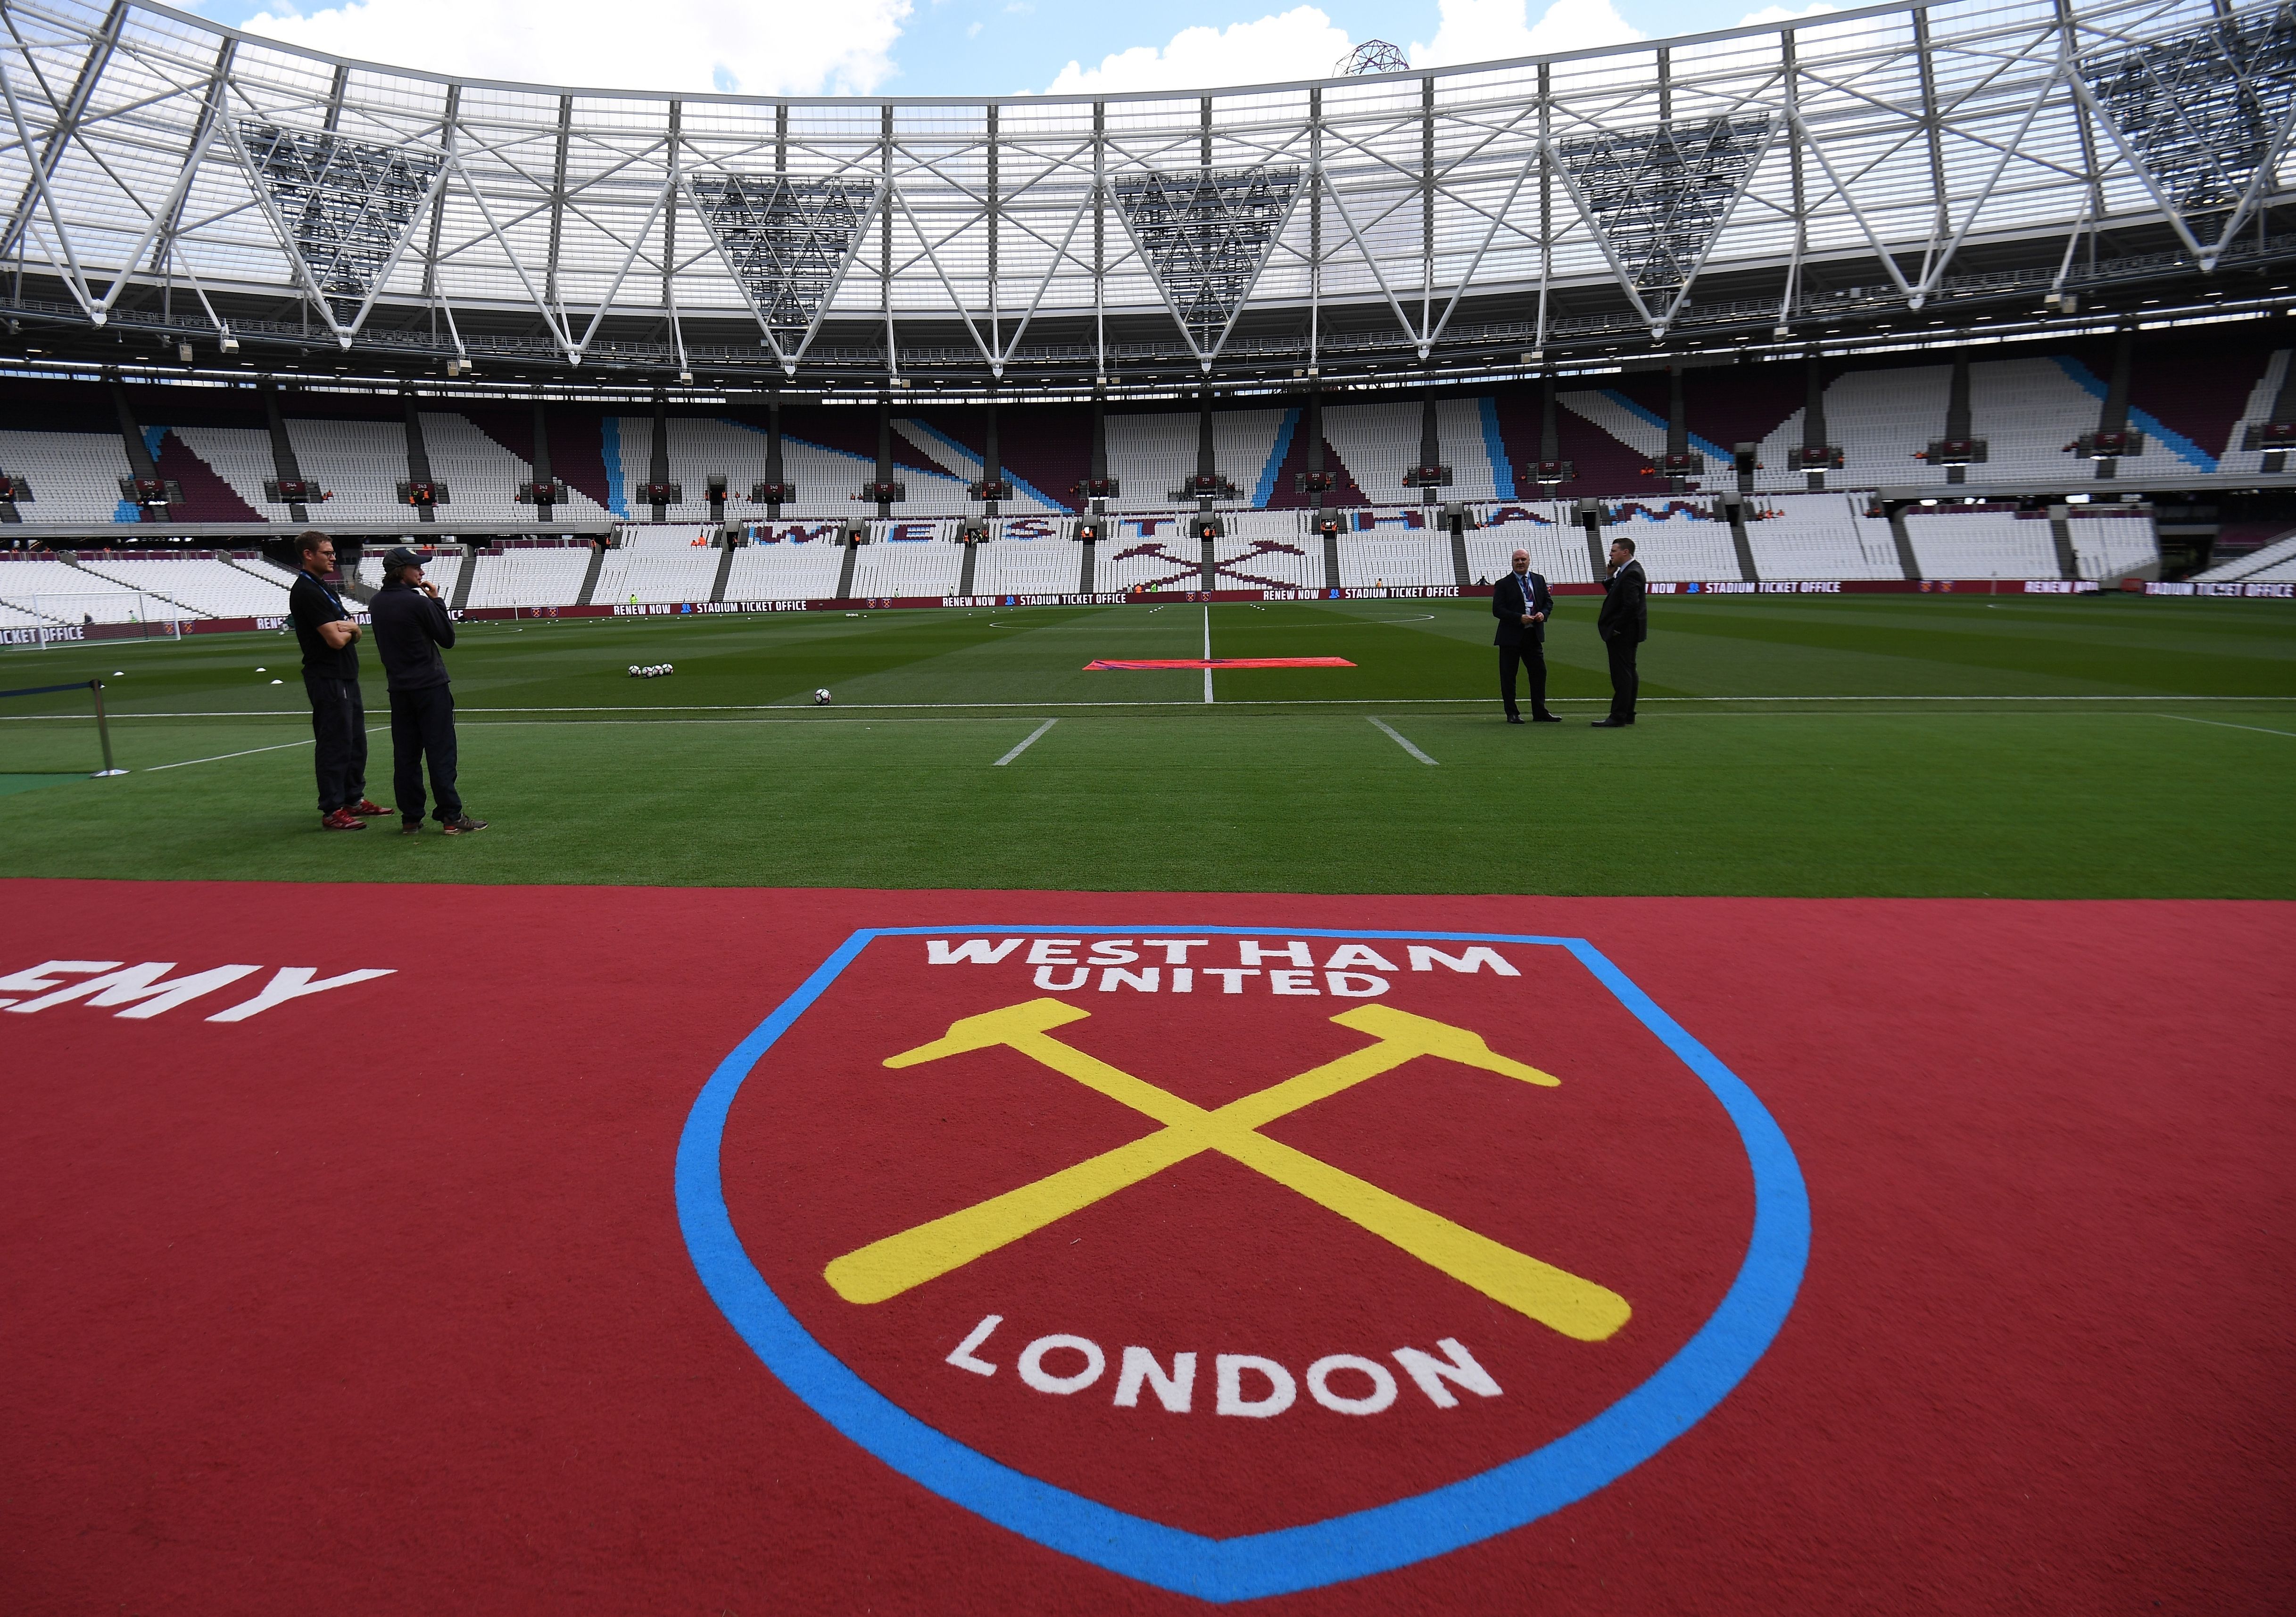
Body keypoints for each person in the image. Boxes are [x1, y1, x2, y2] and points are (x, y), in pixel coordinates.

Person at [368, 546, 486, 836]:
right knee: (441, 753)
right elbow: (447, 638)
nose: (421, 571)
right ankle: (451, 816)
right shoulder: (418, 603)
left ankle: (411, 818)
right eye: (416, 567)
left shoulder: (376, 603)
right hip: (430, 687)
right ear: (401, 571)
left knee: (406, 755)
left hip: (399, 688)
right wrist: (436, 602)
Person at [288, 530, 386, 829]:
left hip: (344, 676)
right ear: (308, 554)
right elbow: (336, 639)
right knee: (336, 743)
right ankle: (332, 809)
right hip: (328, 677)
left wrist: (352, 630)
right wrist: (354, 631)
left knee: (356, 741)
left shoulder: (321, 587)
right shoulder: (307, 590)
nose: (333, 558)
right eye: (327, 553)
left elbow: (350, 630)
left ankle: (353, 800)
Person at [1492, 547, 1558, 723]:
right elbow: (1497, 610)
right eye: (1517, 560)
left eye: (1523, 559)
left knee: (1539, 673)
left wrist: (1543, 614)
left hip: (1533, 635)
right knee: (1509, 676)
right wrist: (1519, 618)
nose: (1520, 563)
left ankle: (1540, 711)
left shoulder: (1539, 580)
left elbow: (1548, 602)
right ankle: (1512, 713)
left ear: (1529, 561)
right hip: (1510, 637)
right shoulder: (1503, 584)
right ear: (1512, 563)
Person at [1592, 535, 1648, 728]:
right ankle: (1628, 714)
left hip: (1624, 633)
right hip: (1629, 632)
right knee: (1629, 671)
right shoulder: (1628, 571)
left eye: (1614, 551)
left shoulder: (1632, 573)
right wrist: (1610, 577)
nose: (1610, 554)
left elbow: (1631, 605)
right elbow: (1619, 595)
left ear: (1625, 552)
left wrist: (1617, 629)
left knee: (1621, 674)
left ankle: (1618, 716)